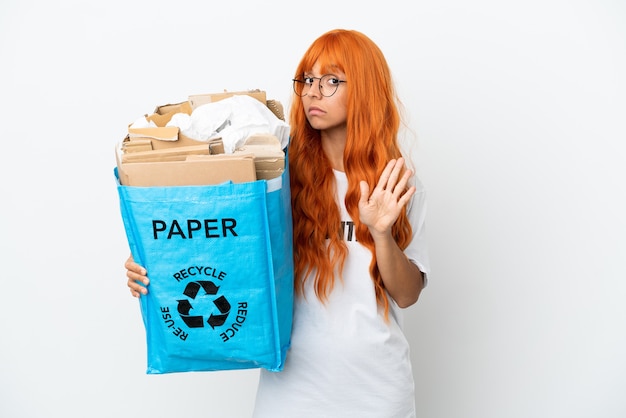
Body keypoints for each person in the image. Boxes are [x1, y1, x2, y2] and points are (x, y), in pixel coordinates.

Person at [125, 28, 429, 418]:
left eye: (332, 80)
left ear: (366, 91)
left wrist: (382, 233)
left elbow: (406, 295)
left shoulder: (397, 184)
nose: (313, 92)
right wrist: (156, 269)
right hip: (292, 391)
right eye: (307, 79)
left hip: (377, 392)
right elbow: (218, 249)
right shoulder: (274, 179)